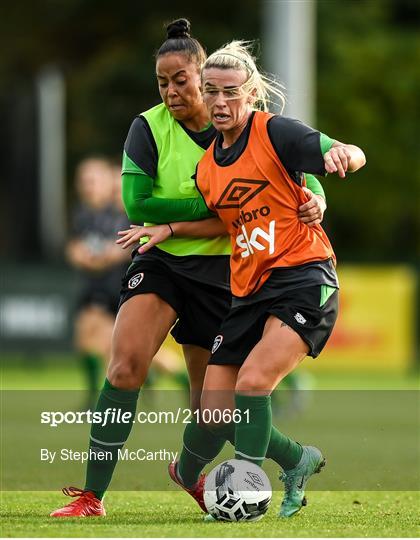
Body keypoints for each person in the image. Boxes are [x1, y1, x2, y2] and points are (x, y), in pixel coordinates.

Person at [50, 20, 328, 518]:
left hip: (228, 272)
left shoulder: (253, 126)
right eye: (162, 82)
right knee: (125, 366)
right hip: (163, 260)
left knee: (215, 413)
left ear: (206, 76)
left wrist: (315, 204)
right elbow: (138, 205)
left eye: (181, 80)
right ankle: (92, 496)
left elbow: (305, 182)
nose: (172, 91)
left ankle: (286, 459)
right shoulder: (149, 126)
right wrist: (219, 206)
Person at [120, 39, 365, 518]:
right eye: (211, 92)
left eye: (230, 92)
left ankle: (245, 488)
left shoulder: (275, 132)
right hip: (249, 291)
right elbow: (223, 219)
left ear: (251, 94)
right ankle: (291, 460)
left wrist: (345, 157)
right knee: (212, 411)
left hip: (303, 276)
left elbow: (343, 150)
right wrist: (169, 228)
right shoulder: (209, 166)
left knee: (252, 384)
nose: (219, 102)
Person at [66, 157, 130, 410]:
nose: (87, 186)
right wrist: (82, 255)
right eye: (83, 180)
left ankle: (103, 403)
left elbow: (122, 249)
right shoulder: (83, 214)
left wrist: (98, 258)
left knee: (105, 347)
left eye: (93, 180)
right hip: (94, 286)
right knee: (88, 341)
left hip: (116, 286)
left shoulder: (119, 214)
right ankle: (98, 400)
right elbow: (73, 247)